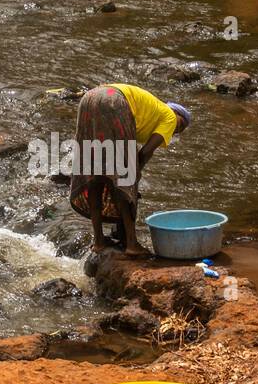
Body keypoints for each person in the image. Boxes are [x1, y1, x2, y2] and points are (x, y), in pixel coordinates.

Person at [68, 83, 190, 257]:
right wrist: (134, 173)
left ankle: (99, 241)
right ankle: (132, 244)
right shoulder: (170, 117)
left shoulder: (150, 112)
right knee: (124, 177)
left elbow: (143, 153)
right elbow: (146, 152)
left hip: (89, 98)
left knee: (93, 170)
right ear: (179, 116)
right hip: (114, 100)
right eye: (180, 127)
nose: (176, 132)